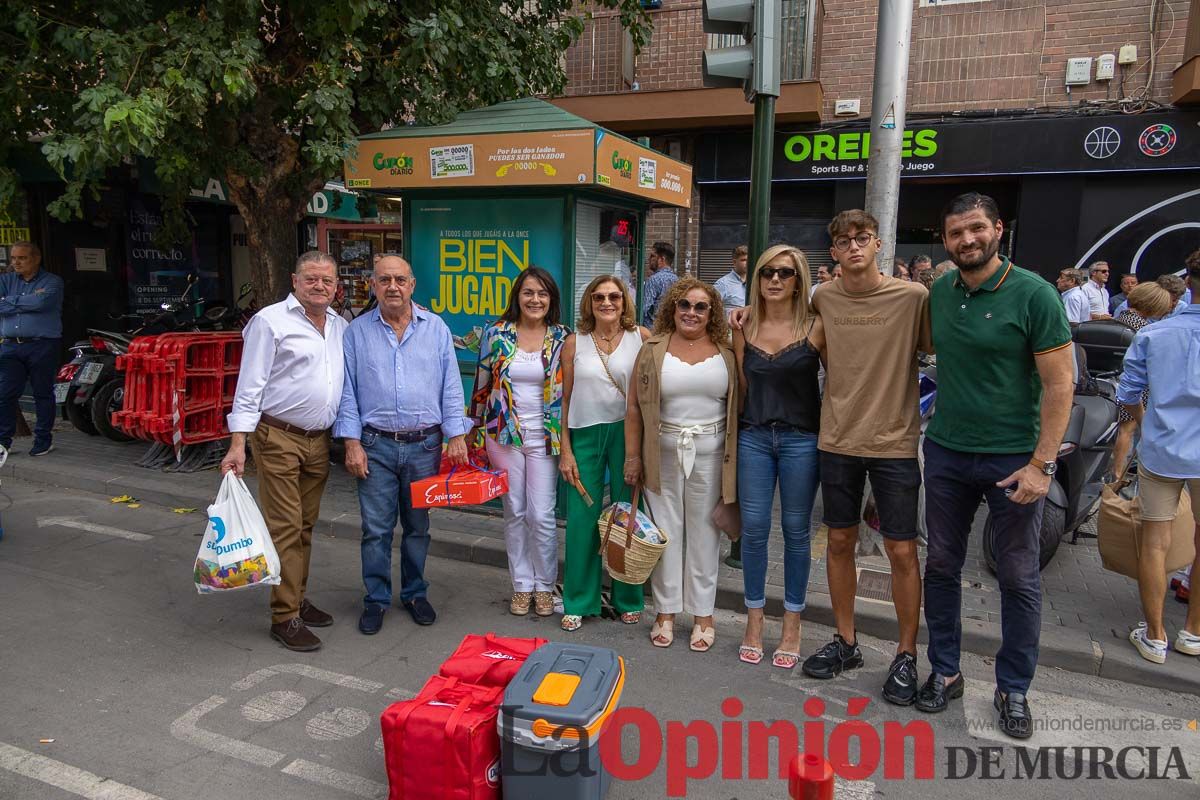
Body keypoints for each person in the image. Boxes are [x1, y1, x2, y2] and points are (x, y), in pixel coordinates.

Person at [918, 193, 1074, 740]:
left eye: (977, 229)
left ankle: (1013, 688)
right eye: (957, 232)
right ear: (945, 239)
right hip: (946, 452)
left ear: (999, 229)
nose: (968, 240)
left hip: (1015, 459)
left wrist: (1042, 466)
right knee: (940, 564)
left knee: (1017, 575)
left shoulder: (1035, 294)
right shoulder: (940, 291)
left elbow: (1061, 385)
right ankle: (946, 669)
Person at [793, 210, 931, 708]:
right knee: (838, 544)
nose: (854, 247)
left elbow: (940, 351)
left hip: (894, 443)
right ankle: (847, 643)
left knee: (901, 551)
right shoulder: (823, 297)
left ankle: (907, 653)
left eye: (863, 238)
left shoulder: (913, 298)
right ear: (832, 252)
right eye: (844, 241)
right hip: (838, 440)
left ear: (878, 244)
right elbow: (794, 334)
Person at [336, 255, 470, 634]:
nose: (392, 286)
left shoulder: (437, 328)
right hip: (374, 444)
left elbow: (450, 384)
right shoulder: (356, 332)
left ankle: (414, 592)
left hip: (424, 446)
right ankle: (376, 599)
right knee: (375, 529)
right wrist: (351, 443)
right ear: (373, 286)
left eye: (399, 280)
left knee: (417, 527)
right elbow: (347, 393)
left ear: (412, 285)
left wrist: (455, 434)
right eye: (384, 280)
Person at [222, 251, 348, 652]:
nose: (319, 286)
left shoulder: (340, 326)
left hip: (318, 440)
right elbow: (250, 385)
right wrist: (238, 443)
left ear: (336, 286)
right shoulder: (270, 321)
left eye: (327, 281)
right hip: (278, 437)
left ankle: (295, 596)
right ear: (295, 281)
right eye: (311, 279)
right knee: (286, 528)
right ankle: (284, 617)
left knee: (305, 526)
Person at [625, 278, 738, 653]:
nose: (691, 312)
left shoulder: (728, 349)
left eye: (701, 306)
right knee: (666, 532)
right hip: (663, 453)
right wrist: (633, 456)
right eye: (684, 305)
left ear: (712, 312)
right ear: (672, 308)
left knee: (707, 533)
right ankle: (666, 611)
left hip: (712, 451)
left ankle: (704, 614)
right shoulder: (652, 348)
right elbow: (634, 408)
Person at [732, 245, 820, 669]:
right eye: (767, 272)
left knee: (796, 531)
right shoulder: (743, 326)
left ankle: (792, 623)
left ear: (798, 280)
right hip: (753, 437)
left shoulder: (816, 327)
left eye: (785, 273)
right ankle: (753, 621)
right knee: (753, 530)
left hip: (802, 439)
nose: (774, 280)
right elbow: (739, 390)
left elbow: (840, 383)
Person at [472, 267, 570, 617]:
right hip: (504, 435)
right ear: (518, 296)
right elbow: (482, 385)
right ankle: (522, 585)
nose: (535, 299)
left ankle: (545, 585)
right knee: (515, 511)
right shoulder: (496, 333)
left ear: (551, 299)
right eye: (528, 292)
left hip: (545, 437)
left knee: (541, 515)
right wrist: (473, 430)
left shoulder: (562, 337)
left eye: (542, 293)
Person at [1118, 256, 1200, 665]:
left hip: (1163, 446)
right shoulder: (1156, 331)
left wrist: (1144, 423)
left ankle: (1155, 635)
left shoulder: (1155, 333)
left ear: (1189, 282)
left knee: (1155, 541)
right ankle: (1193, 633)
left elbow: (1128, 392)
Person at [558, 275, 650, 632]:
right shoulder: (574, 343)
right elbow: (563, 401)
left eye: (614, 296)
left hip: (626, 434)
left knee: (627, 515)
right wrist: (565, 449)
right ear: (589, 302)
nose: (607, 303)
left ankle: (628, 597)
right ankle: (579, 599)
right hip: (584, 432)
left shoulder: (641, 338)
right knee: (583, 519)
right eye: (599, 297)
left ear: (624, 302)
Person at [0, 242, 63, 456]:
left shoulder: (52, 281)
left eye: (22, 258)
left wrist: (9, 302)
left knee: (42, 393)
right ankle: (3, 443)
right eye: (13, 258)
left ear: (36, 259)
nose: (16, 262)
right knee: (5, 394)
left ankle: (43, 441)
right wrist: (28, 300)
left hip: (42, 345)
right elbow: (33, 303)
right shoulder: (6, 280)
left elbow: (42, 304)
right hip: (10, 346)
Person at [1110, 282, 1174, 482]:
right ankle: (1118, 473)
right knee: (1127, 429)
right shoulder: (1147, 331)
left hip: (1111, 383)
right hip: (1134, 386)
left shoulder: (1118, 319)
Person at [641, 242, 678, 327]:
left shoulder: (653, 280)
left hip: (652, 331)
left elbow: (644, 309)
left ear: (662, 259)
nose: (649, 259)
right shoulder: (677, 280)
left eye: (652, 256)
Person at [714, 245, 749, 316]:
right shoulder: (722, 283)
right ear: (734, 262)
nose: (747, 263)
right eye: (744, 260)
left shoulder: (755, 281)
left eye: (749, 260)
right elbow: (712, 307)